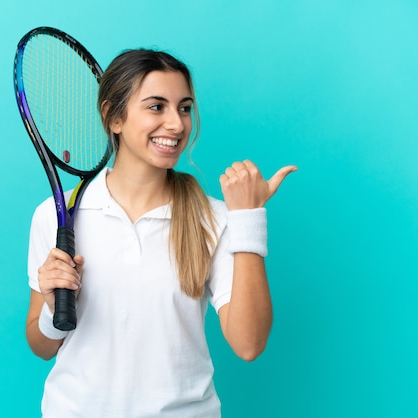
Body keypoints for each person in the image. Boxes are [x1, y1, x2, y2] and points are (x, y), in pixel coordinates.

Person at [25, 48, 297, 417]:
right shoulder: (57, 217)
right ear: (113, 117)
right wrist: (52, 301)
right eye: (157, 107)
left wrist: (247, 218)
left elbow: (249, 344)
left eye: (184, 108)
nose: (176, 124)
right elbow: (42, 346)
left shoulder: (213, 218)